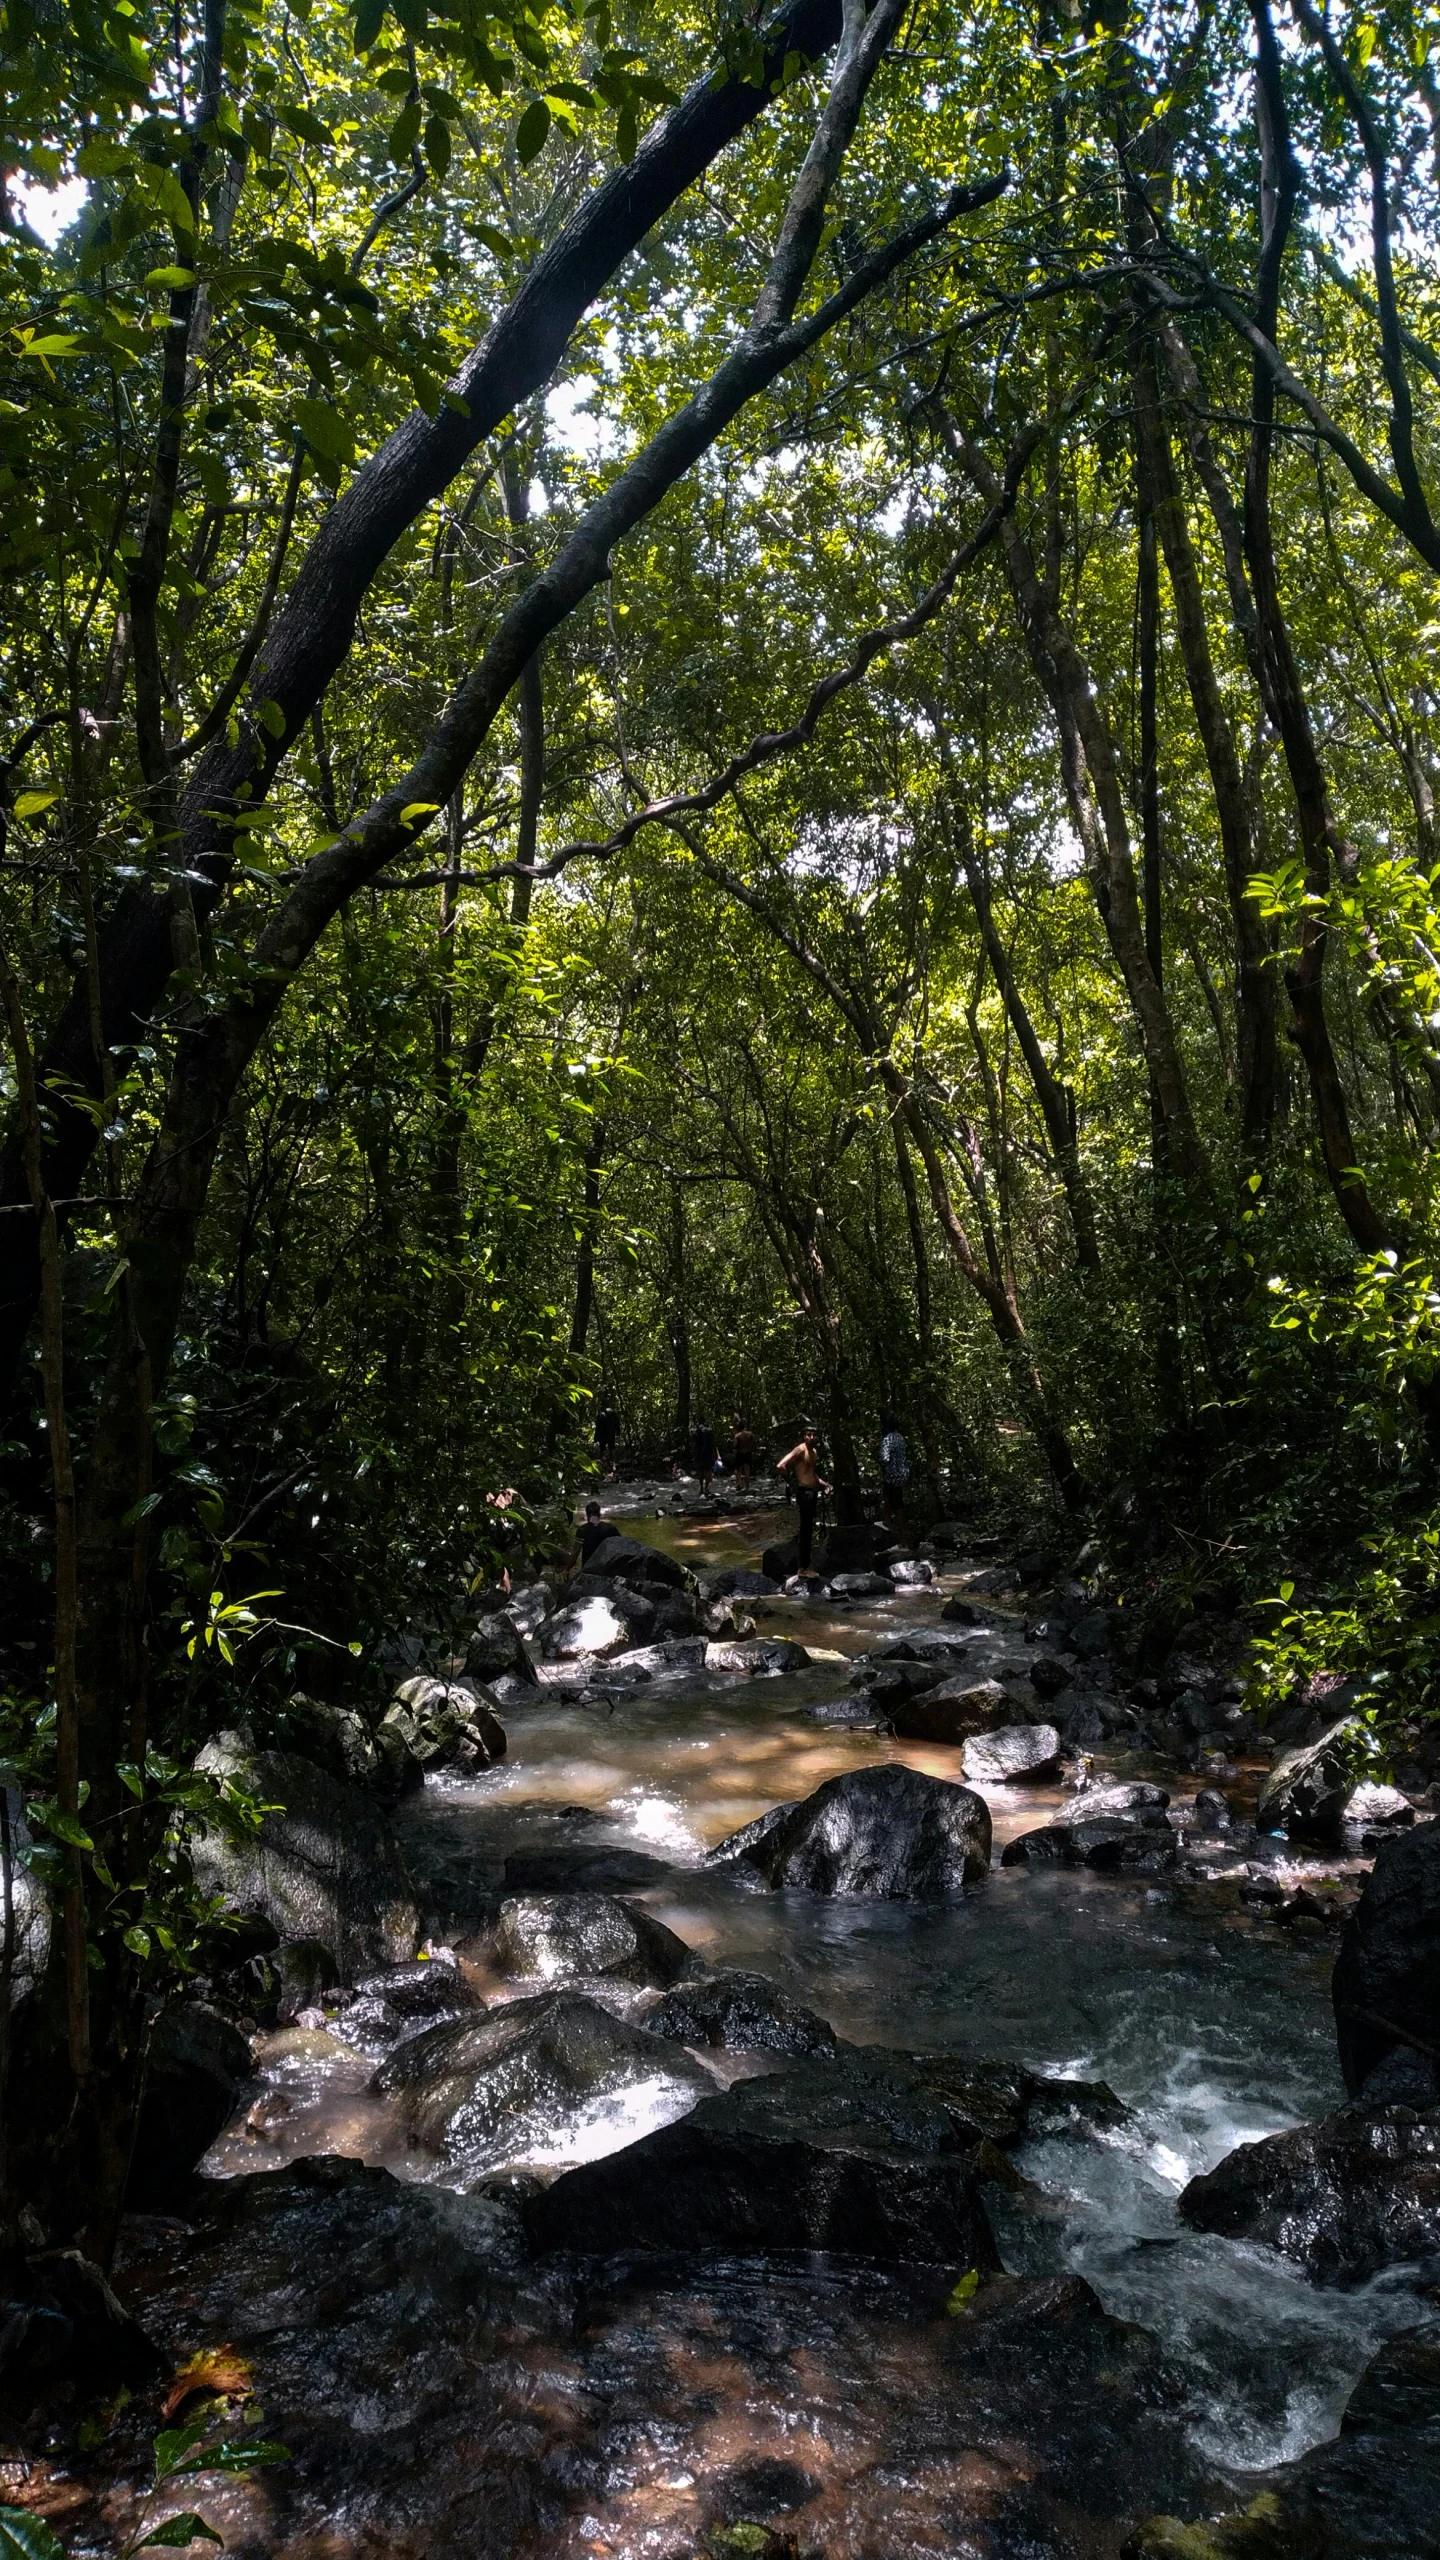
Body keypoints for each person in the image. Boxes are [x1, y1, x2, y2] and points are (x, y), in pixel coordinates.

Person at [777, 1423, 830, 1570]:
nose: (811, 1437)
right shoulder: (800, 1449)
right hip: (804, 1493)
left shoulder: (814, 1451)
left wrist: (825, 1485)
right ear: (804, 1436)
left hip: (812, 1492)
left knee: (809, 1529)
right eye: (808, 1434)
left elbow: (811, 1474)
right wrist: (792, 1482)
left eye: (814, 1435)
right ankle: (803, 1569)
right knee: (806, 1530)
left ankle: (806, 1566)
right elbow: (781, 1465)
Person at [878, 1410, 910, 1530]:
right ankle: (887, 1520)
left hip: (893, 1475)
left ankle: (902, 1540)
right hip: (903, 1474)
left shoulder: (888, 1439)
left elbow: (885, 1459)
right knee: (888, 1495)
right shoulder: (899, 1437)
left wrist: (879, 1449)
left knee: (897, 1504)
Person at [568, 1499, 614, 1573]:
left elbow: (575, 1553)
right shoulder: (610, 1528)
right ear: (599, 1514)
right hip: (605, 1569)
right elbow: (620, 1545)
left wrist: (567, 1569)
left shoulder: (582, 1530)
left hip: (588, 1569)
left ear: (587, 1515)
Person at [730, 1414, 760, 1493]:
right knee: (747, 1471)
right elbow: (754, 1444)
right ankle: (747, 1487)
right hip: (748, 1454)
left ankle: (739, 1483)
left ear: (738, 1428)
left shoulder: (737, 1436)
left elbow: (735, 1445)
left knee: (737, 1470)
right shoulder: (750, 1434)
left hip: (740, 1454)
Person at [594, 1399, 620, 1480]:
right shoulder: (612, 1413)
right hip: (610, 1434)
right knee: (611, 1450)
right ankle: (613, 1467)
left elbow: (597, 1426)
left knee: (602, 1450)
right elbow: (617, 1423)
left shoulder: (601, 1414)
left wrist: (596, 1437)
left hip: (603, 1435)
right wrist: (618, 1431)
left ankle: (600, 1468)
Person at [692, 1415, 718, 1496]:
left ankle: (701, 1488)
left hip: (699, 1453)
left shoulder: (697, 1430)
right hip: (708, 1453)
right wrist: (715, 1454)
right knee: (707, 1470)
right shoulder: (709, 1430)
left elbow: (694, 1442)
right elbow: (713, 1443)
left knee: (700, 1471)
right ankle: (706, 1488)